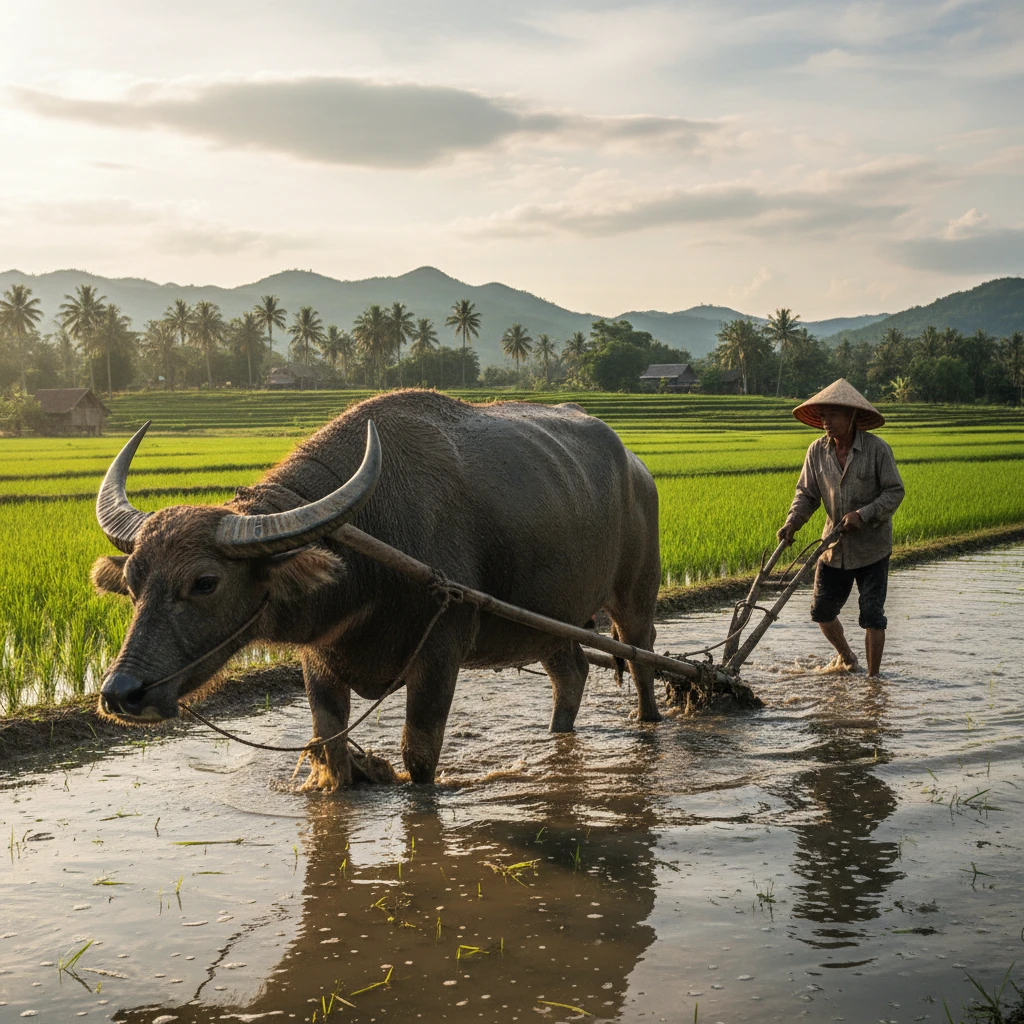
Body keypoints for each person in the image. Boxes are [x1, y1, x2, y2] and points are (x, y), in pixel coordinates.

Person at [777, 379, 905, 677]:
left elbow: (894, 492)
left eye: (833, 415)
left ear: (852, 416)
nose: (826, 422)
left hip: (872, 549)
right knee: (822, 611)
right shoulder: (816, 451)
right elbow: (807, 494)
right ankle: (847, 657)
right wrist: (792, 522)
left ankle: (873, 681)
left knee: (872, 615)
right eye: (823, 416)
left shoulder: (877, 450)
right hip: (833, 548)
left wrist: (863, 514)